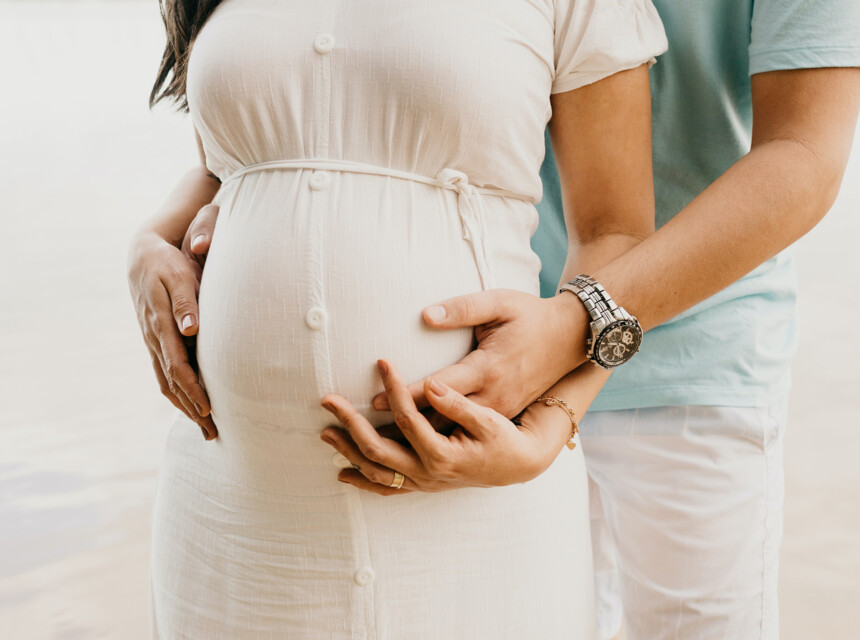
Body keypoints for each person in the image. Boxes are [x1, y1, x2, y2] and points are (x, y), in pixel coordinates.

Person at [136, 2, 860, 640]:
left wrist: (571, 345)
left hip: (687, 357)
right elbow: (327, 96)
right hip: (481, 360)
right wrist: (154, 239)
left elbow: (804, 153)